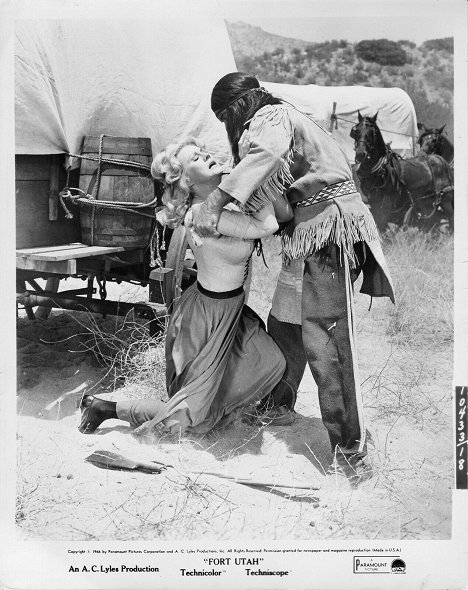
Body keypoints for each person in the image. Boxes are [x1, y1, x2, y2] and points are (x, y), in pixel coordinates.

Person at [191, 72, 395, 478]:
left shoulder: (271, 117)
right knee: (285, 320)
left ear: (236, 109)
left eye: (227, 120)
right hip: (304, 233)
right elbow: (275, 201)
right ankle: (278, 404)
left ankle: (350, 450)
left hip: (327, 228)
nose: (234, 130)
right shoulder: (277, 121)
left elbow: (266, 154)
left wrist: (216, 199)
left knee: (326, 337)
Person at [78, 138, 291, 436]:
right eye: (197, 158)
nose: (207, 155)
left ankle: (207, 407)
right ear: (188, 181)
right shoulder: (203, 213)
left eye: (204, 151)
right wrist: (255, 172)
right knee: (191, 417)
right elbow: (267, 226)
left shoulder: (221, 204)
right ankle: (107, 408)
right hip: (208, 317)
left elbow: (283, 216)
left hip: (228, 311)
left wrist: (248, 176)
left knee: (269, 362)